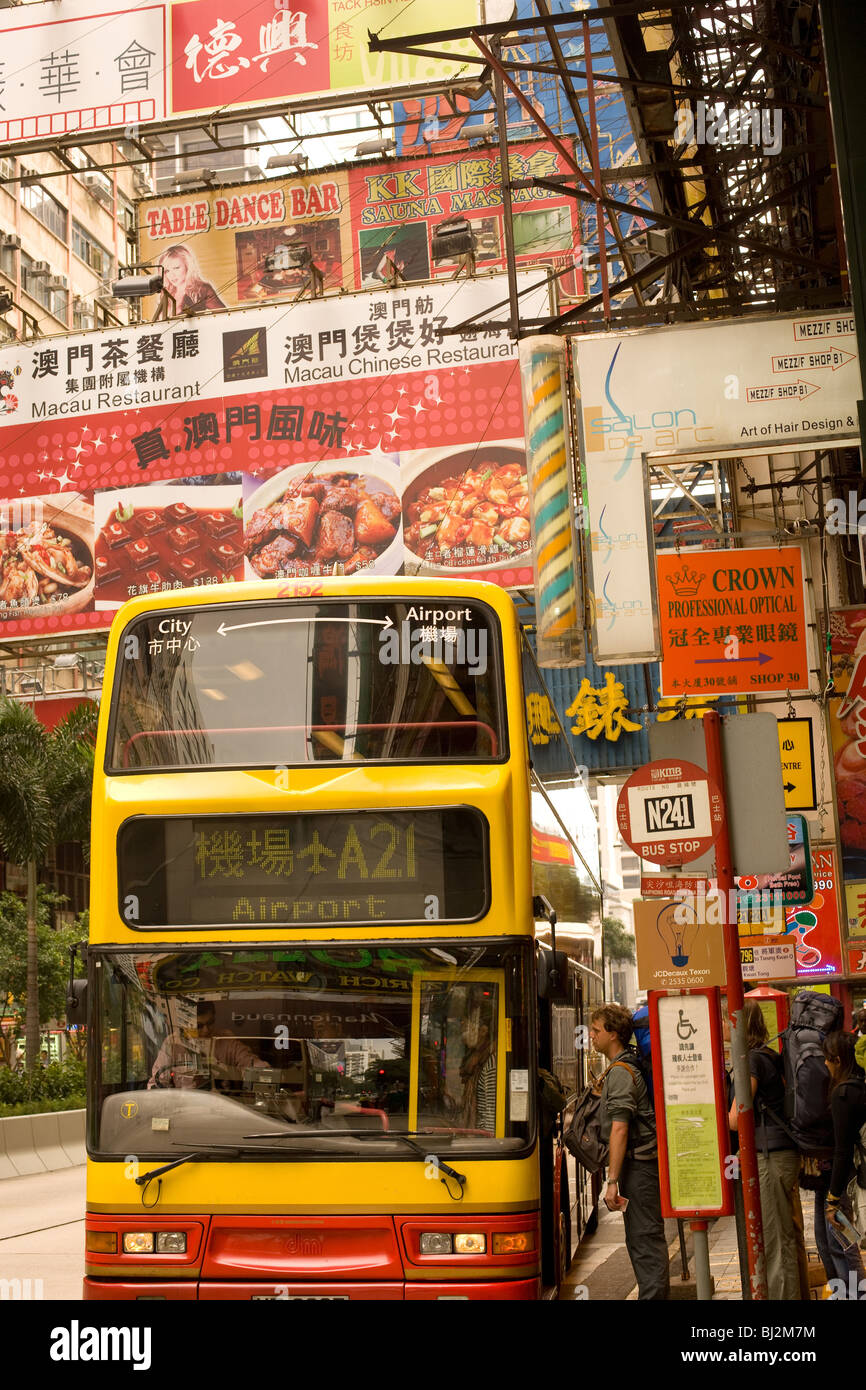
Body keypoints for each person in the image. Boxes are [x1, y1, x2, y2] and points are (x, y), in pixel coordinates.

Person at [589, 1003, 669, 1300]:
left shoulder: (621, 1072)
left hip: (641, 1169)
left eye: (597, 1030)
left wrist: (611, 1182)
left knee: (645, 1242)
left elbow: (620, 1129)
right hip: (639, 1167)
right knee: (642, 1241)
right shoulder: (621, 1066)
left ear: (613, 1034)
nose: (592, 1036)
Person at [728, 1000, 803, 1299]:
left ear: (737, 1025)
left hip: (771, 1157)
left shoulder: (753, 1061)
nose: (722, 1026)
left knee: (775, 1237)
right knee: (783, 1233)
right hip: (779, 1153)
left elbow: (737, 1117)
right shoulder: (768, 1055)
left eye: (725, 1020)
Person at [821, 1029, 866, 1297]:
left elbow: (842, 1152)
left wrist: (833, 1199)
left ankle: (858, 1295)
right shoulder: (862, 1086)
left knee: (845, 1243)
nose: (825, 1064)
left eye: (827, 1059)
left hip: (854, 1182)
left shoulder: (843, 1095)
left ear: (837, 1060)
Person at [148, 1001, 267, 1090]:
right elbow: (157, 1081)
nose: (206, 1030)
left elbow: (248, 1061)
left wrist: (262, 1072)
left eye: (210, 1023)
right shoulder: (173, 1043)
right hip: (185, 1107)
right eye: (198, 1026)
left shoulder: (225, 1039)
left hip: (223, 1106)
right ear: (185, 1024)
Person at [153, 245, 225, 317]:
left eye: (176, 268)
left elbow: (224, 315)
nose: (172, 275)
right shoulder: (166, 292)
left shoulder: (202, 289)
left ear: (187, 266)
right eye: (167, 271)